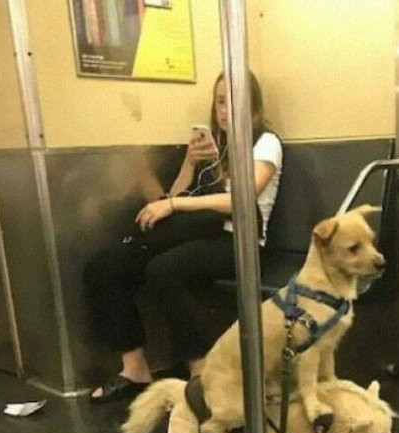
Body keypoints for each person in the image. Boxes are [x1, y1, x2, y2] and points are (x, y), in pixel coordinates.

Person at [85, 71, 282, 403]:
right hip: (196, 232)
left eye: (234, 102)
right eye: (220, 102)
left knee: (163, 270)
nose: (225, 110)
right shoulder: (213, 146)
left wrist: (175, 204)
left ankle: (200, 371)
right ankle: (135, 368)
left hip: (237, 242)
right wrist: (190, 165)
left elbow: (242, 198)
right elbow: (171, 199)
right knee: (105, 267)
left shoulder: (266, 143)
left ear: (253, 106)